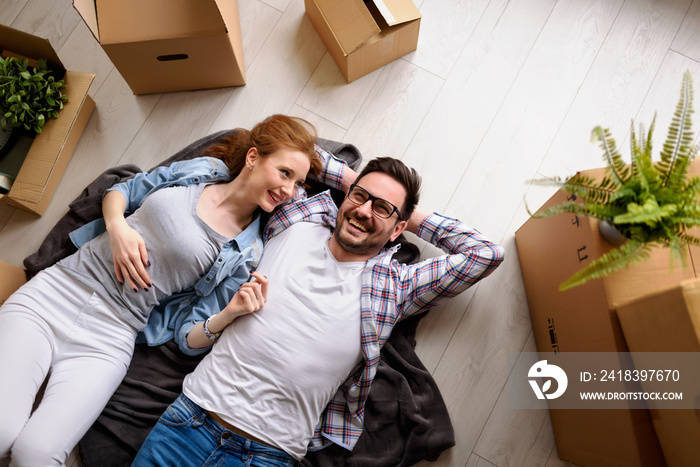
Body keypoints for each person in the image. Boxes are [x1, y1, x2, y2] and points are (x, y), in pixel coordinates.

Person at [133, 155, 506, 466]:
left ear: (398, 230)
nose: (363, 211)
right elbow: (298, 150)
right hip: (189, 419)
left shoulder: (395, 287)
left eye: (381, 209)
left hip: (266, 455)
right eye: (360, 197)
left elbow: (485, 254)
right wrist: (358, 186)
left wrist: (401, 214)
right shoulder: (298, 219)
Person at [0, 114, 323, 467]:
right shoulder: (203, 170)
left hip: (111, 336)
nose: (290, 190)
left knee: (35, 455)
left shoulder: (247, 253)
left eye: (299, 183)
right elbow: (123, 191)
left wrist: (230, 314)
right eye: (285, 173)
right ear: (252, 158)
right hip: (56, 294)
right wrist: (118, 227)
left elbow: (188, 337)